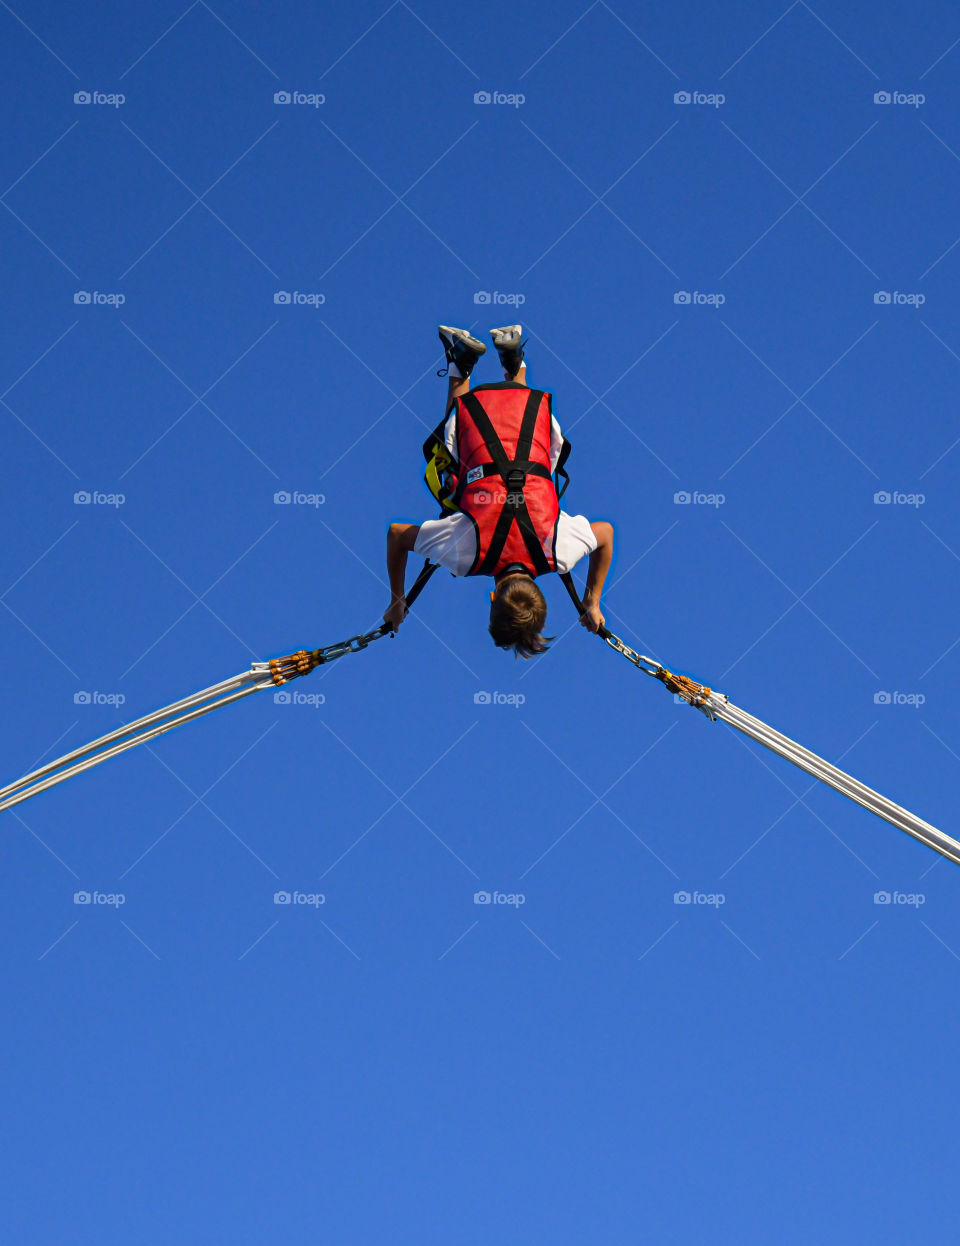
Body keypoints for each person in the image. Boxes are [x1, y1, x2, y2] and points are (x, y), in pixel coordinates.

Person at [385, 324, 614, 657]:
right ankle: (460, 365)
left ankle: (514, 360)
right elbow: (397, 535)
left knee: (523, 449)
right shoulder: (465, 556)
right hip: (476, 424)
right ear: (492, 598)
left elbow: (604, 535)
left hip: (535, 419)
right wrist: (397, 600)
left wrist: (593, 600)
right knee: (450, 471)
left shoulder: (560, 552)